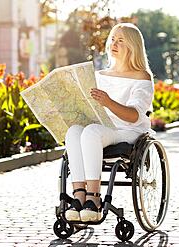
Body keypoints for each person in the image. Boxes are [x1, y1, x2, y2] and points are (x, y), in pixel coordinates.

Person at [65, 23, 155, 222]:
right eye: (113, 39)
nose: (114, 43)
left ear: (132, 46)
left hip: (128, 130)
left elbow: (133, 116)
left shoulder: (142, 77)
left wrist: (108, 101)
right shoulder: (99, 75)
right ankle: (79, 196)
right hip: (101, 126)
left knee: (91, 132)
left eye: (121, 40)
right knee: (73, 131)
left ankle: (94, 199)